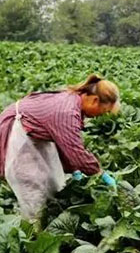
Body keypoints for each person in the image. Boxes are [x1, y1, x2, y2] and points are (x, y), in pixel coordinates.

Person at [0, 74, 120, 220]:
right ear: (95, 100)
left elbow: (66, 145)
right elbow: (75, 150)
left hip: (33, 134)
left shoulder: (73, 102)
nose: (101, 116)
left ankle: (42, 218)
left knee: (48, 178)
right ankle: (31, 230)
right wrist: (100, 173)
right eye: (105, 110)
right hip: (17, 131)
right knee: (31, 184)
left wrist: (74, 168)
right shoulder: (66, 111)